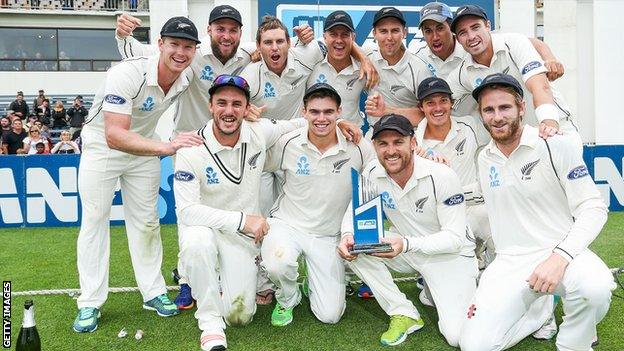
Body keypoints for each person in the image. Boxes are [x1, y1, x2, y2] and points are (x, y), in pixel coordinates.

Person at [114, 5, 316, 308]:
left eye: (232, 30)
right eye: (220, 29)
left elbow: (288, 46)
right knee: (191, 218)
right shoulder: (191, 56)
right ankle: (186, 280)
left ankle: (255, 273)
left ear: (240, 34)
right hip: (190, 144)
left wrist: (303, 40)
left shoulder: (245, 56)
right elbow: (149, 55)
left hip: (231, 141)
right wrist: (122, 36)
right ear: (208, 31)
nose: (226, 35)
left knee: (244, 208)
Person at [460, 73, 614, 351]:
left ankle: (573, 343)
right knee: (475, 346)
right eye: (489, 110)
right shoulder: (485, 156)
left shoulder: (555, 144)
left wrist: (560, 256)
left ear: (521, 108)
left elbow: (593, 206)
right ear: (481, 115)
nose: (497, 117)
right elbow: (481, 191)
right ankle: (538, 313)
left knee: (596, 288)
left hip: (560, 252)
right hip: (509, 261)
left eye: (504, 107)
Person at [72, 16, 204, 333]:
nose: (181, 53)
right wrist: (168, 146)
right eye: (174, 44)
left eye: (188, 47)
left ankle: (153, 292)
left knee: (146, 221)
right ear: (159, 44)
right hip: (103, 146)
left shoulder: (186, 78)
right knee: (94, 221)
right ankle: (90, 302)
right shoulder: (126, 73)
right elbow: (115, 135)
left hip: (145, 149)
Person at [173, 75, 312, 350]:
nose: (229, 111)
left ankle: (220, 280)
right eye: (221, 103)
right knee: (196, 242)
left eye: (237, 104)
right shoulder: (191, 149)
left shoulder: (258, 131)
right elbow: (187, 212)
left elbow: (295, 123)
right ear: (210, 105)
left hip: (240, 239)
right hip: (209, 230)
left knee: (240, 316)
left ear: (247, 108)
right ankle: (210, 323)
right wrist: (241, 220)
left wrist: (339, 124)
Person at [338, 114, 478, 347]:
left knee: (456, 337)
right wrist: (346, 236)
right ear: (375, 146)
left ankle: (450, 284)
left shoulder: (441, 175)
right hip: (408, 250)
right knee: (356, 249)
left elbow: (454, 239)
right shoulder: (372, 172)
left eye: (398, 142)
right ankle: (404, 312)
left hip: (449, 257)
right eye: (383, 143)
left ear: (413, 143)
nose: (390, 151)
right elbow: (354, 212)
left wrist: (406, 244)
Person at [261, 83, 374, 327]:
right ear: (304, 113)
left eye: (328, 112)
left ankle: (309, 281)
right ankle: (288, 298)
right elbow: (256, 165)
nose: (321, 118)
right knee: (277, 262)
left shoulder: (358, 146)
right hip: (288, 225)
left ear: (339, 112)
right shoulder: (287, 142)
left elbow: (382, 169)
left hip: (328, 235)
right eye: (314, 112)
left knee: (330, 316)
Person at [447, 5, 578, 142]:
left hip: (557, 127)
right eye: (463, 33)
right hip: (519, 142)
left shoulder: (514, 43)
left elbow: (540, 86)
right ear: (458, 39)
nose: (471, 36)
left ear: (488, 26)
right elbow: (436, 103)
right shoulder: (462, 73)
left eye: (475, 27)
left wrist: (550, 125)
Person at [414, 76, 492, 275]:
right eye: (430, 102)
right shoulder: (413, 143)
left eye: (443, 101)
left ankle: (491, 268)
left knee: (496, 222)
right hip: (441, 216)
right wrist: (423, 164)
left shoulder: (470, 126)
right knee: (432, 297)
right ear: (421, 107)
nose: (438, 108)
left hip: (473, 207)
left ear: (451, 103)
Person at [409, 2, 565, 82]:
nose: (435, 36)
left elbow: (531, 42)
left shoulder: (472, 43)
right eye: (428, 31)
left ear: (451, 28)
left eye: (440, 28)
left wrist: (549, 59)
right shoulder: (417, 54)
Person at [362, 7, 433, 129]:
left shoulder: (419, 69)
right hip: (375, 134)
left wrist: (386, 111)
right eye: (383, 31)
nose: (389, 37)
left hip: (409, 135)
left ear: (404, 32)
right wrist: (363, 59)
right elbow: (342, 43)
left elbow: (428, 114)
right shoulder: (367, 56)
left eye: (395, 31)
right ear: (374, 34)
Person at [306, 11, 377, 127]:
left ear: (353, 37)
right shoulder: (310, 62)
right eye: (333, 34)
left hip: (351, 138)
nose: (339, 40)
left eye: (344, 34)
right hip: (316, 135)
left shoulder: (364, 67)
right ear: (324, 36)